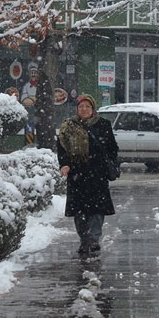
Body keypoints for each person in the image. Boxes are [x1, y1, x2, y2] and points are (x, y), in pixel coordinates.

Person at [57, 94, 118, 254]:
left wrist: (109, 164)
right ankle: (84, 239)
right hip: (77, 175)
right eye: (81, 107)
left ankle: (93, 238)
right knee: (80, 210)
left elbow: (112, 148)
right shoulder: (68, 126)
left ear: (93, 109)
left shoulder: (103, 125)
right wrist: (64, 164)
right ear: (77, 109)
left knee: (97, 210)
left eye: (87, 107)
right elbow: (62, 149)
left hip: (98, 174)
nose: (84, 109)